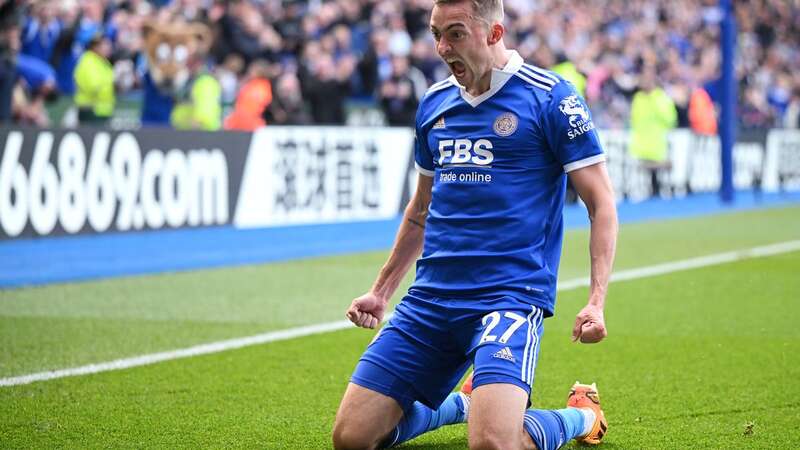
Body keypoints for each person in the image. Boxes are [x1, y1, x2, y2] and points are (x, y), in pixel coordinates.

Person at [332, 1, 618, 449]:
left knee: (491, 445)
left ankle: (580, 415)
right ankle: (463, 405)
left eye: (456, 34)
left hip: (508, 297)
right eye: (435, 34)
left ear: (494, 33)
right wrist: (382, 291)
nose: (442, 48)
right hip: (432, 299)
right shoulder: (435, 102)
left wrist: (596, 300)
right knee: (352, 439)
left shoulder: (550, 97)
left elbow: (601, 203)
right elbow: (420, 210)